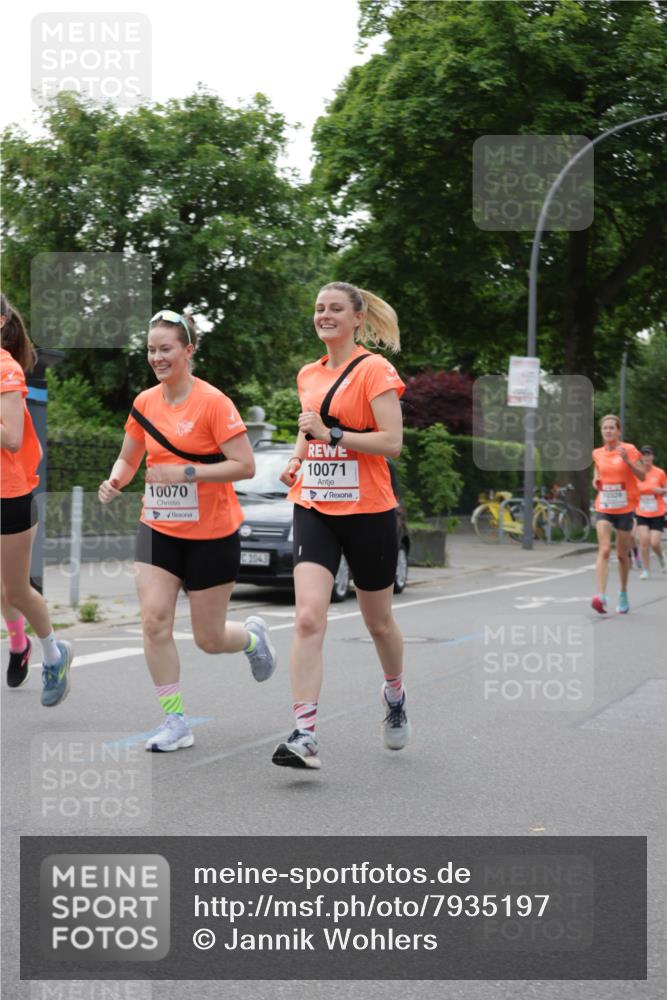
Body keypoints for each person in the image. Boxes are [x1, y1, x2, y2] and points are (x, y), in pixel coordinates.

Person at [98, 309, 277, 752]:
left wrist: (188, 472)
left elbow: (245, 465)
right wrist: (116, 480)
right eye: (151, 350)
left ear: (188, 350)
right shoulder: (145, 403)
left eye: (165, 349)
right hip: (158, 527)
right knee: (154, 620)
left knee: (209, 639)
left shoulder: (214, 403)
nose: (157, 358)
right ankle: (175, 721)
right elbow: (129, 456)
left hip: (212, 533)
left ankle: (252, 638)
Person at [272, 282, 408, 770]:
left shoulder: (375, 370)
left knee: (378, 622)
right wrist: (296, 458)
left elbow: (391, 442)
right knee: (308, 617)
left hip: (368, 510)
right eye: (318, 308)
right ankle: (304, 733)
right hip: (314, 504)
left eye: (334, 309)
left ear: (357, 318)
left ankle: (395, 694)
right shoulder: (308, 374)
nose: (324, 315)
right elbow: (308, 428)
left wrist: (334, 435)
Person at [0, 293, 73, 704]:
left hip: (9, 496)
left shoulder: (7, 369)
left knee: (16, 591)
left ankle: (54, 654)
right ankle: (18, 645)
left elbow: (11, 438)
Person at [591, 414, 645, 614]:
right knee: (604, 549)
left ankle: (623, 592)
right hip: (604, 506)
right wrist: (595, 480)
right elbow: (597, 472)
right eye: (605, 428)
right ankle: (601, 596)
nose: (608, 431)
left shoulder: (629, 449)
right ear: (601, 431)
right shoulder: (597, 453)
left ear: (619, 431)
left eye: (612, 427)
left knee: (622, 555)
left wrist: (627, 461)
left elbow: (642, 475)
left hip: (624, 508)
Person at [634, 445, 667, 579]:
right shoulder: (637, 473)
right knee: (644, 540)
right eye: (644, 455)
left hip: (657, 512)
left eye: (649, 454)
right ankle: (646, 570)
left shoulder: (659, 473)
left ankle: (661, 558)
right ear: (641, 458)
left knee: (654, 542)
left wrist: (661, 490)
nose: (646, 457)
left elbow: (666, 489)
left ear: (652, 457)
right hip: (642, 512)